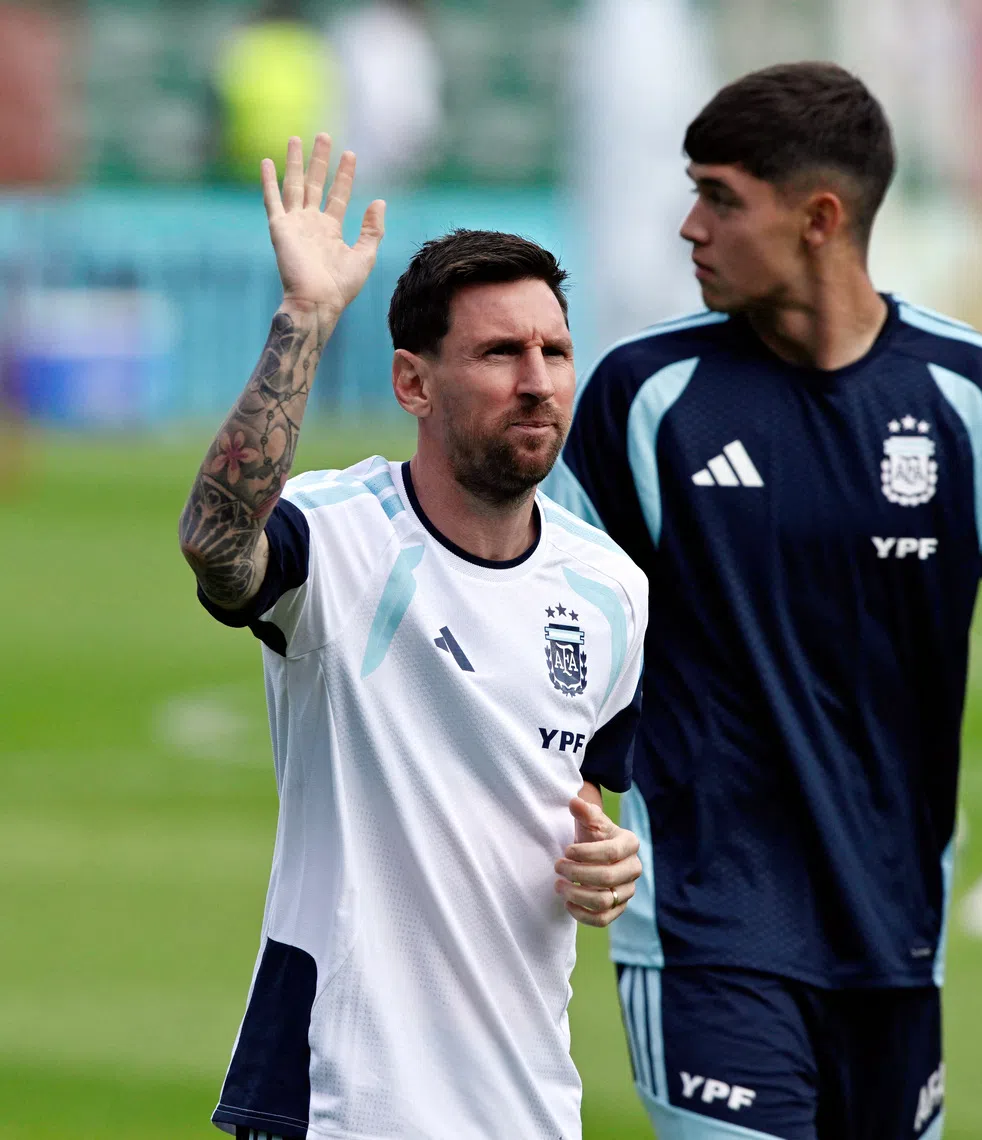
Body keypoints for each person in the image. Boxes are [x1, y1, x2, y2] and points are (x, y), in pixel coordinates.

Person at [542, 63, 982, 1140]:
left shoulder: (974, 396)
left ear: (818, 217)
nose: (688, 226)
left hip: (897, 931)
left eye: (719, 197)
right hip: (709, 925)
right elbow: (542, 625)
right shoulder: (644, 396)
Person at [178, 134, 647, 1140]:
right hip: (341, 1100)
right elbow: (218, 542)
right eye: (498, 353)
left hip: (526, 1106)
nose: (537, 381)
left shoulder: (611, 590)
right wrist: (304, 316)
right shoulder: (339, 541)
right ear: (412, 382)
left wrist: (608, 856)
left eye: (553, 351)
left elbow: (577, 792)